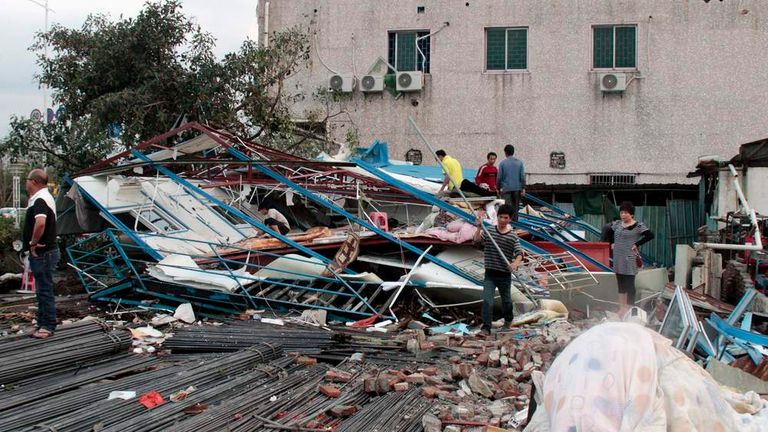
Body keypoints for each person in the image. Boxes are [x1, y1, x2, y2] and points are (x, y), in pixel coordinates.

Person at [473, 204, 523, 335]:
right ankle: (486, 328)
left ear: (510, 219)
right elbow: (476, 242)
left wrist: (515, 263)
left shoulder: (512, 236)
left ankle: (508, 320)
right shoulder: (489, 231)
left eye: (505, 218)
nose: (502, 220)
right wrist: (479, 227)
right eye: (500, 217)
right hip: (490, 273)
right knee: (487, 301)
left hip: (504, 275)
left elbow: (519, 253)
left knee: (506, 302)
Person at [22, 168, 59, 339]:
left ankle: (48, 325)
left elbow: (41, 223)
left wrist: (33, 243)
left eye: (27, 179)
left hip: (44, 252)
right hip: (44, 253)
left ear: (34, 182)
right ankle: (42, 322)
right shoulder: (40, 198)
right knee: (41, 289)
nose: (26, 182)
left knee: (44, 289)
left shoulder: (41, 199)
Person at [605, 201, 654, 314]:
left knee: (629, 284)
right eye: (621, 212)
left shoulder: (638, 226)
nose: (623, 215)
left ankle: (630, 308)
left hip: (629, 257)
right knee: (620, 282)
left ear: (631, 214)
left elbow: (650, 235)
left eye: (626, 212)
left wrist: (637, 244)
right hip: (618, 257)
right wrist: (612, 243)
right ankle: (622, 308)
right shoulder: (617, 224)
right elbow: (609, 232)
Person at [496, 144, 525, 221]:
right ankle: (515, 225)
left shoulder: (502, 163)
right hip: (517, 188)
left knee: (506, 208)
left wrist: (498, 188)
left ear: (505, 152)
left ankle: (507, 225)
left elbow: (499, 177)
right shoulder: (519, 163)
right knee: (515, 208)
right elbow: (522, 176)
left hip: (505, 189)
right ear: (513, 152)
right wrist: (523, 188)